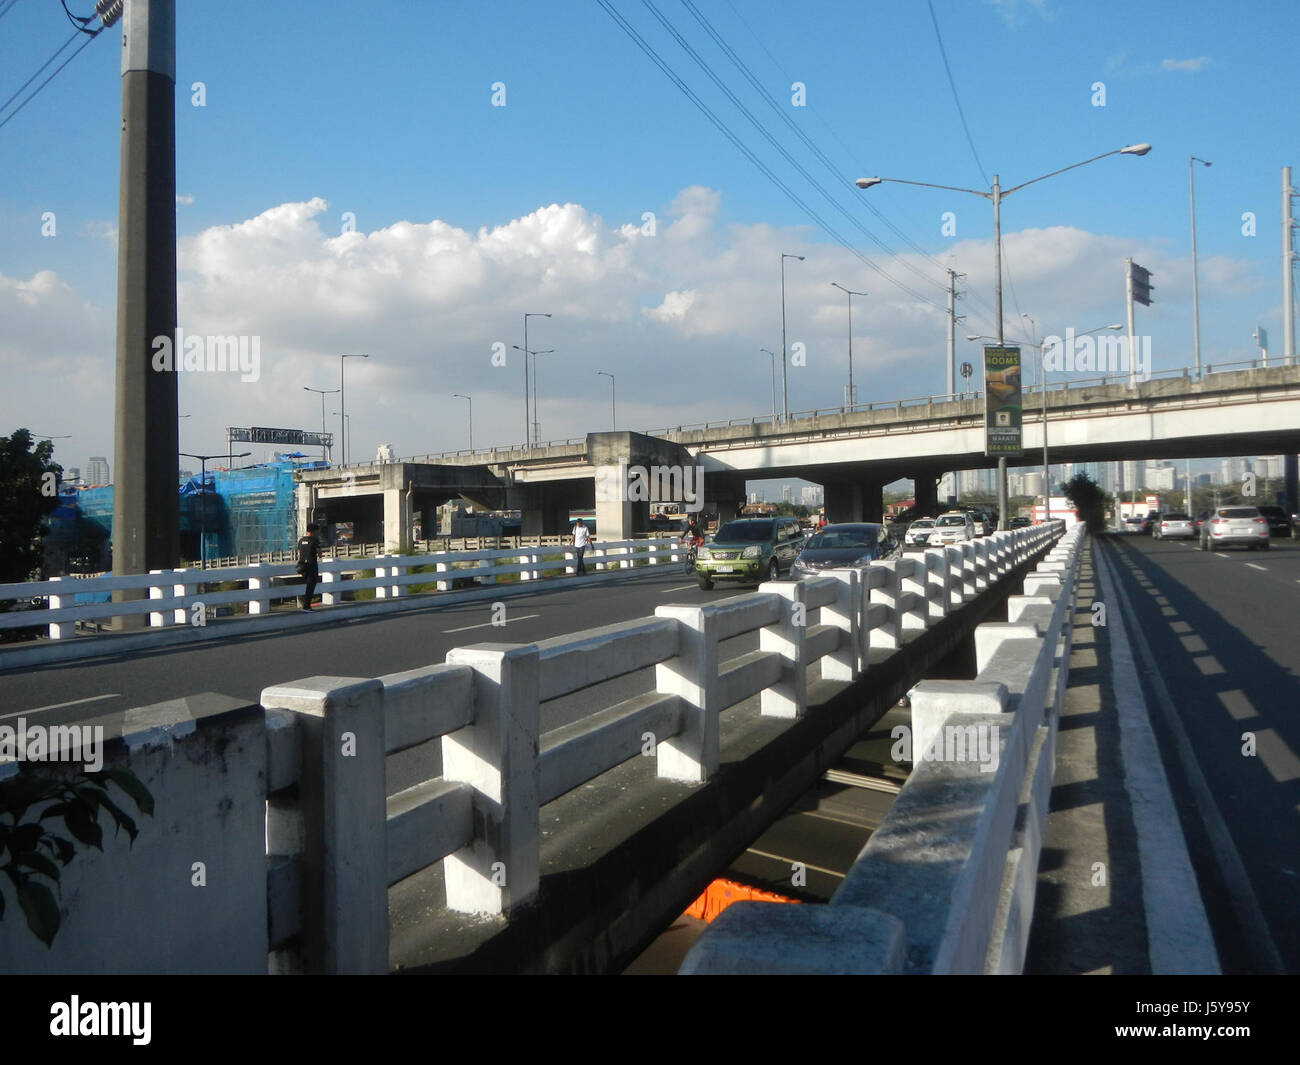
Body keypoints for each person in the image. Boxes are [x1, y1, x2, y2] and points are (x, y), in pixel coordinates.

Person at [297, 523, 321, 610]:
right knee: (311, 585)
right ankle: (306, 606)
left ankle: (305, 602)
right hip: (311, 565)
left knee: (308, 584)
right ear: (314, 531)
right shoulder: (314, 540)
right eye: (317, 532)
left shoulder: (301, 540)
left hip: (302, 565)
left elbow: (299, 553)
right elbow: (319, 552)